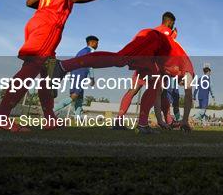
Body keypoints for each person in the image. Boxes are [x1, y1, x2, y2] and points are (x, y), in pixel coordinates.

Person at [0, 0, 115, 131]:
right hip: (49, 27)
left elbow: (30, 1)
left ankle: (50, 118)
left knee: (47, 75)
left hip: (36, 23)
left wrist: (46, 8)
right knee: (30, 69)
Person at [46, 12, 195, 132]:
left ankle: (141, 124)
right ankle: (63, 66)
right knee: (120, 60)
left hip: (152, 50)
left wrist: (161, 121)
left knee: (151, 84)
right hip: (152, 41)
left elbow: (157, 96)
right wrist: (185, 121)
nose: (180, 84)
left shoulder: (169, 63)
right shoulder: (187, 67)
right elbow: (188, 96)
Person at [54, 35, 99, 117]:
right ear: (92, 43)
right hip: (80, 75)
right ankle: (52, 111)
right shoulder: (90, 51)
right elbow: (90, 65)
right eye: (96, 43)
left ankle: (77, 117)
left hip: (76, 74)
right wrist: (92, 78)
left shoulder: (81, 51)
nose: (97, 45)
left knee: (80, 98)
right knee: (74, 95)